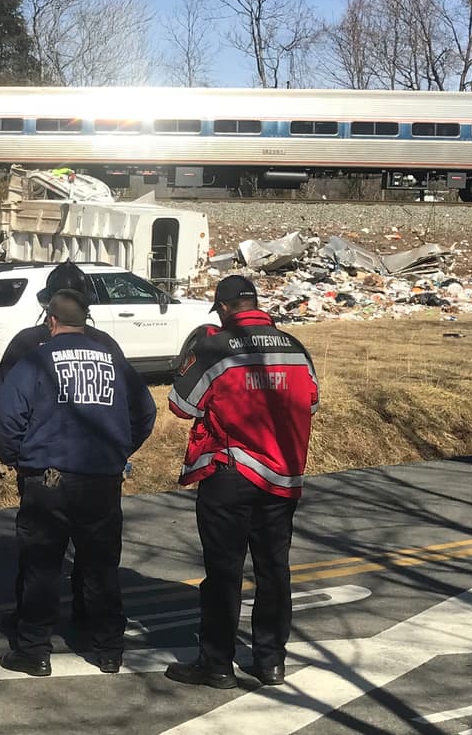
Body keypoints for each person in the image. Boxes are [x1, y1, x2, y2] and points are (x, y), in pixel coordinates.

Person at [0, 291, 156, 677]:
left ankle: (34, 650)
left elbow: (7, 420)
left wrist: (17, 459)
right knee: (101, 567)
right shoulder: (113, 360)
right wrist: (118, 450)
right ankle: (109, 649)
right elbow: (145, 412)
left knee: (42, 567)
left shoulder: (36, 360)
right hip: (102, 480)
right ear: (86, 321)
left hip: (49, 480)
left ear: (51, 320)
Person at [164, 275, 319, 690]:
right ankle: (271, 662)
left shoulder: (215, 347)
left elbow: (181, 405)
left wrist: (194, 357)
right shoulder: (295, 347)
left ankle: (216, 664)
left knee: (224, 572)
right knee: (274, 570)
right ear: (255, 304)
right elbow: (312, 401)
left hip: (231, 473)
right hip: (282, 476)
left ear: (224, 308)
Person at [0, 260, 126, 628]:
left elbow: (2, 406)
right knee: (97, 558)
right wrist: (117, 451)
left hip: (42, 471)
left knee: (39, 557)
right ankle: (97, 630)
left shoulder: (26, 344)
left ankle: (32, 636)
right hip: (99, 472)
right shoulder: (106, 345)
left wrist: (15, 455)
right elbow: (138, 409)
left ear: (49, 306)